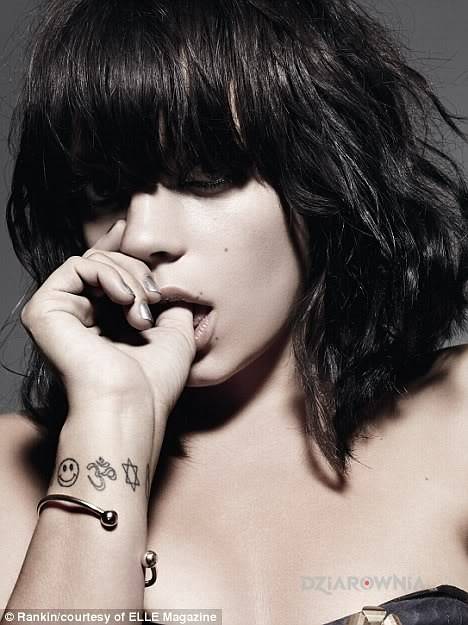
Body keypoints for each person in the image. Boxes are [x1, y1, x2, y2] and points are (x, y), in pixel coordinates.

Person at [1, 0, 468, 623]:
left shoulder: (459, 417)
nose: (142, 236)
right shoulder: (11, 473)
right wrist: (112, 416)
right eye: (103, 189)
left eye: (205, 176)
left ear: (325, 178)